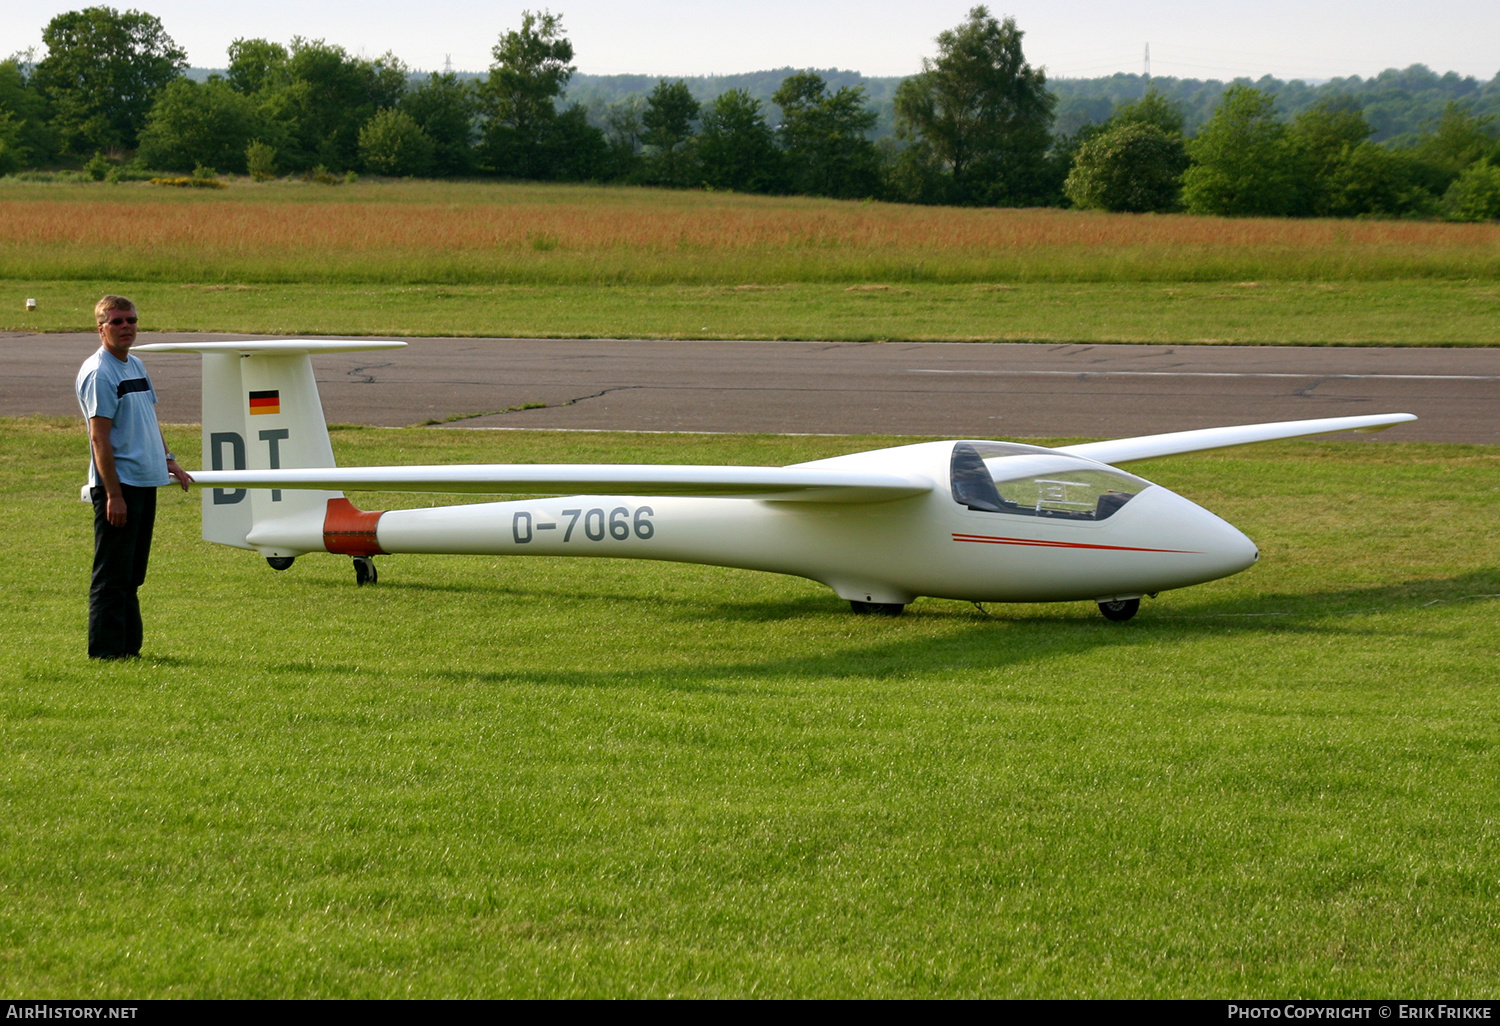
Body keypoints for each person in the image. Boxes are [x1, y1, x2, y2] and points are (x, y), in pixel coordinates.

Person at [75, 296, 193, 659]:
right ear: (101, 328)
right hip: (120, 486)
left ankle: (129, 649)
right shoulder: (100, 373)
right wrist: (113, 495)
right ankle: (107, 653)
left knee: (133, 573)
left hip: (145, 481)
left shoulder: (136, 364)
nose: (126, 327)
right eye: (116, 322)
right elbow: (99, 437)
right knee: (112, 574)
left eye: (131, 320)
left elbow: (148, 419)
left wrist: (168, 459)